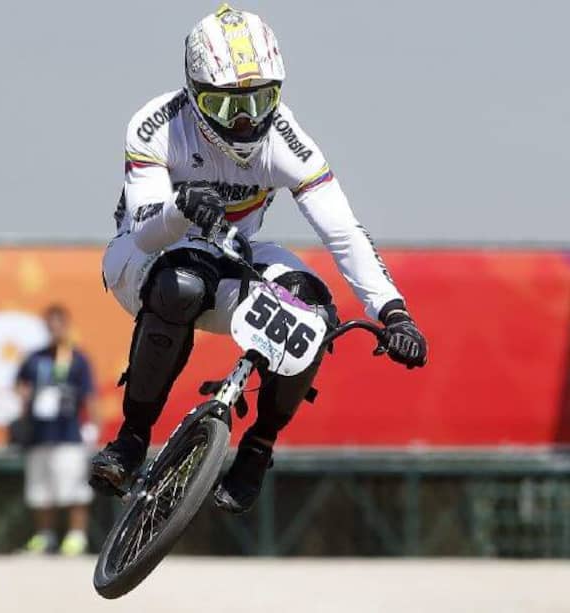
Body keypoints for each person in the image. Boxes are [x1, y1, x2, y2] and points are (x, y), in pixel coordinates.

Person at [91, 4, 428, 513]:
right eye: (227, 107)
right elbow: (142, 232)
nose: (245, 122)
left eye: (259, 101)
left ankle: (258, 446)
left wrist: (394, 311)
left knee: (313, 308)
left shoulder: (286, 140)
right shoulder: (156, 124)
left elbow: (343, 232)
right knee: (181, 285)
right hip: (144, 256)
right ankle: (132, 439)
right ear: (194, 93)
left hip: (229, 253)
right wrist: (181, 208)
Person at [16, 305, 100, 555]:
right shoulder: (35, 359)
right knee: (40, 490)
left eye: (59, 325)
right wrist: (24, 398)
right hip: (39, 433)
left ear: (66, 326)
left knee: (74, 490)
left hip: (69, 434)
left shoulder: (77, 359)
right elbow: (20, 384)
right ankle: (45, 536)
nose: (55, 331)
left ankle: (76, 537)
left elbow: (90, 396)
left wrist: (94, 427)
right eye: (50, 326)